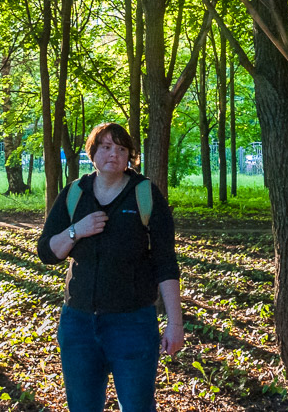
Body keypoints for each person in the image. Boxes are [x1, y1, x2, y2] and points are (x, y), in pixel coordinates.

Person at [37, 123, 184, 412]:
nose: (113, 154)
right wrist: (76, 231)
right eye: (105, 147)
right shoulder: (74, 194)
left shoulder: (145, 195)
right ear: (92, 153)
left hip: (133, 325)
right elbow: (47, 252)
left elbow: (165, 262)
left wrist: (175, 324)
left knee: (138, 407)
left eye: (121, 149)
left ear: (130, 156)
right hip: (78, 324)